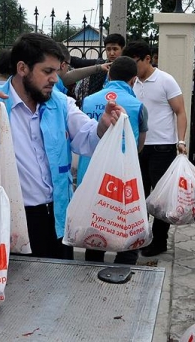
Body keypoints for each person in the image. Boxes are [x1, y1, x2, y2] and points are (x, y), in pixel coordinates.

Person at [0, 33, 123, 260]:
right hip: (9, 222)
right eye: (47, 71)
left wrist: (103, 126)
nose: (55, 78)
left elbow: (87, 138)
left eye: (57, 70)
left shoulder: (60, 103)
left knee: (58, 287)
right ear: (22, 68)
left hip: (57, 218)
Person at [78, 56, 148, 265]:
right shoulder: (137, 106)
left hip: (91, 174)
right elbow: (140, 144)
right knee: (126, 226)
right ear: (134, 80)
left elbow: (82, 133)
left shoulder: (88, 101)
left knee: (95, 227)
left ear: (109, 75)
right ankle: (122, 270)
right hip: (122, 177)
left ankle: (91, 271)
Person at [121, 40, 187, 257]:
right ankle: (139, 236)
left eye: (135, 62)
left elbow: (180, 111)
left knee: (160, 198)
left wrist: (181, 141)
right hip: (136, 147)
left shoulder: (166, 80)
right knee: (137, 195)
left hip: (162, 148)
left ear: (148, 59)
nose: (132, 68)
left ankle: (159, 241)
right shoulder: (130, 83)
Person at [74, 33, 126, 102]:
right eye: (108, 49)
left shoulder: (128, 69)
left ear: (122, 49)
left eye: (115, 49)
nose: (111, 53)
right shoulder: (99, 68)